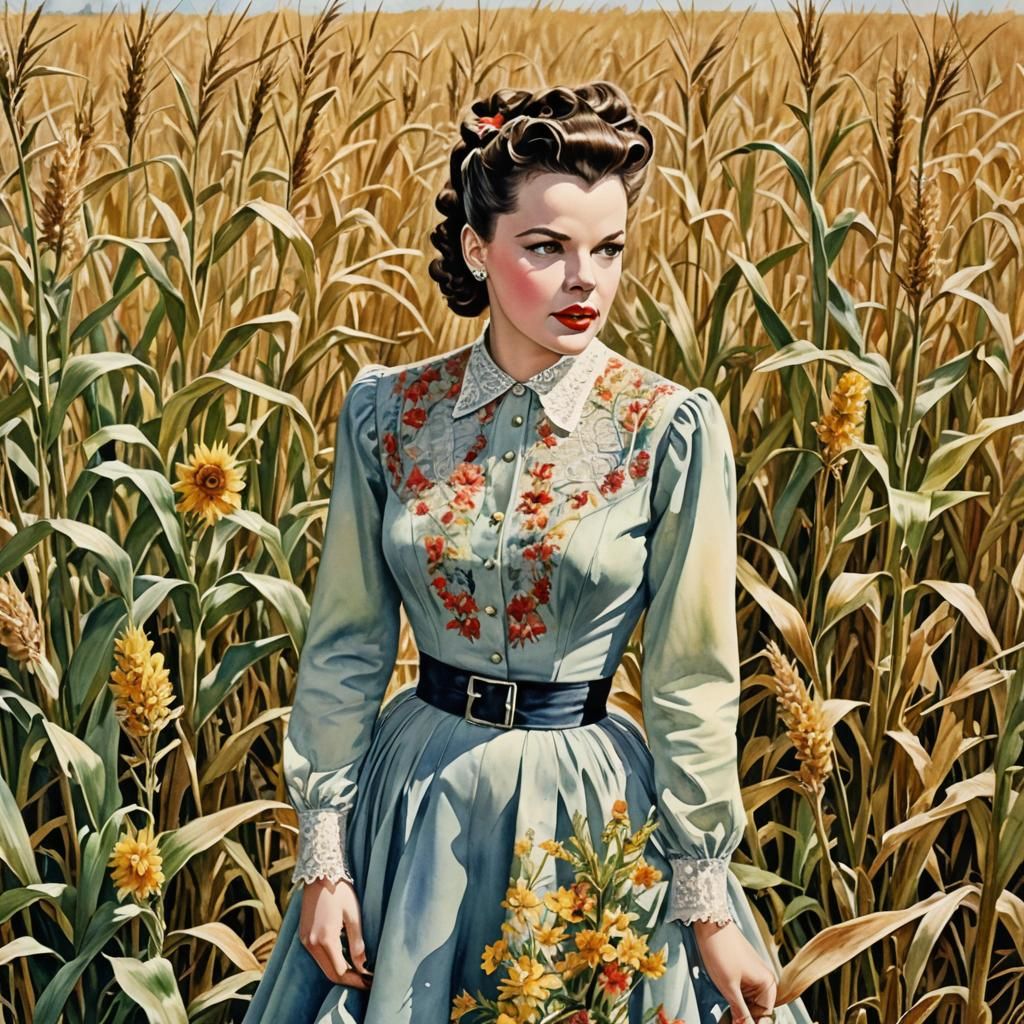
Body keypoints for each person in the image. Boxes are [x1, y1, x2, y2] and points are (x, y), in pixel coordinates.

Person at [242, 81, 813, 1024]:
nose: (584, 278)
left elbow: (691, 676)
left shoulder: (667, 428)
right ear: (478, 247)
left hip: (589, 813)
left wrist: (706, 905)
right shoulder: (388, 412)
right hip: (414, 812)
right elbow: (345, 647)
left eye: (608, 249)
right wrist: (326, 863)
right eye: (547, 248)